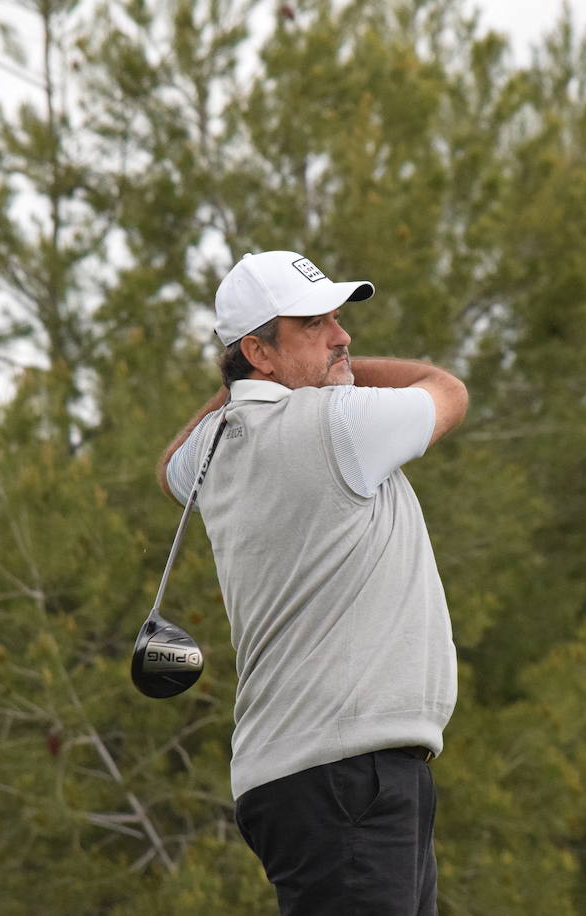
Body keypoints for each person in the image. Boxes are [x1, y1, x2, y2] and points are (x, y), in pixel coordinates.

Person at [158, 249, 468, 915]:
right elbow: (447, 391)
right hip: (348, 776)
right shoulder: (338, 422)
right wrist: (342, 380)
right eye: (315, 325)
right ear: (260, 351)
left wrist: (241, 383)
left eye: (336, 319)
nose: (343, 336)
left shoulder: (215, 446)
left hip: (319, 777)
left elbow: (167, 468)